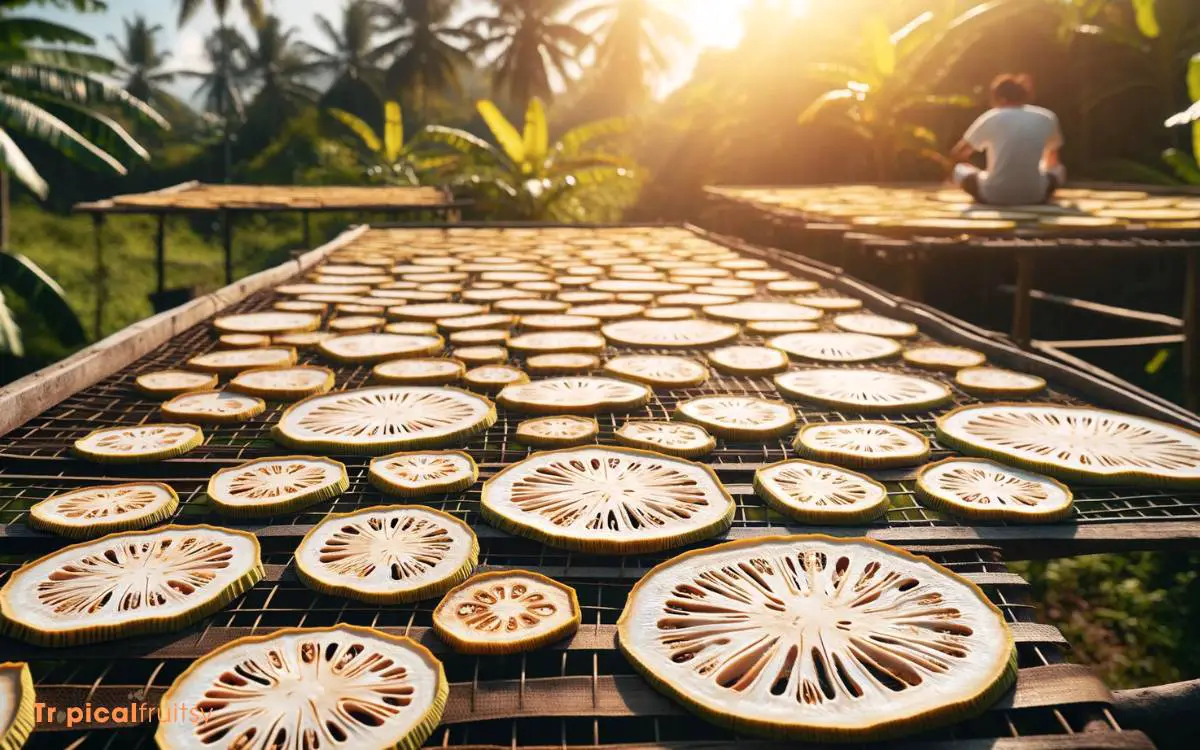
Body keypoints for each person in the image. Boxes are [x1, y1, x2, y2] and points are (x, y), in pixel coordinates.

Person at [950, 74, 1065, 206]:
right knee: (1058, 169)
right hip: (1036, 195)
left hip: (992, 195)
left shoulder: (992, 117)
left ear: (1000, 98)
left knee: (960, 169)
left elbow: (958, 153)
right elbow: (1053, 159)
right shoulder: (1047, 117)